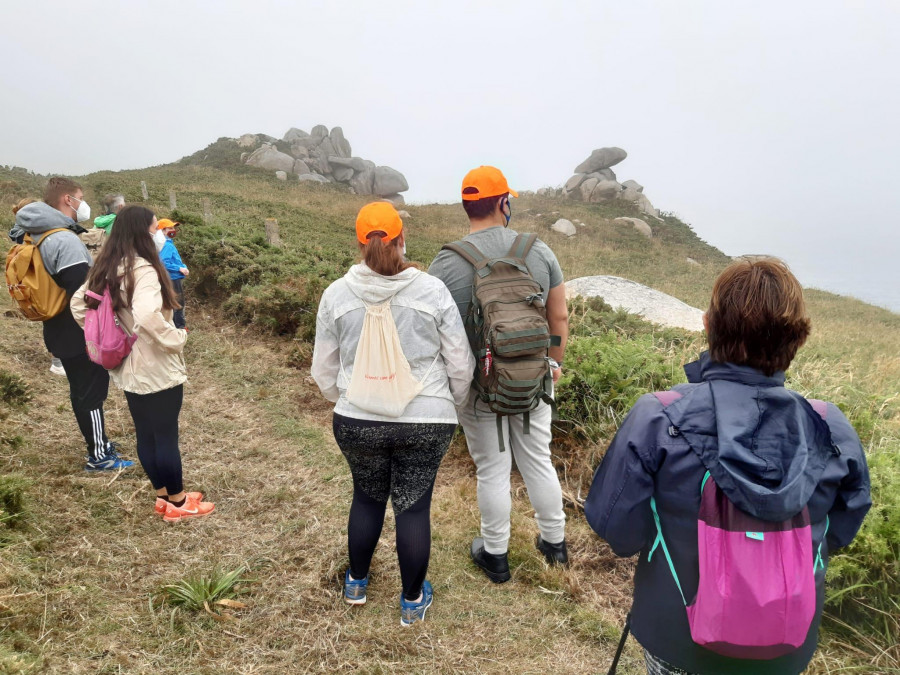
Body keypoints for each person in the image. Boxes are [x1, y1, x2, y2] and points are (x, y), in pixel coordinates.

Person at [584, 258, 871, 675]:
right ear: (798, 339)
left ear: (708, 324)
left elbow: (617, 530)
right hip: (786, 642)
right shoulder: (830, 426)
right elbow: (843, 526)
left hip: (676, 635)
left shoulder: (659, 417)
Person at [312, 201, 474, 625]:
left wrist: (344, 398)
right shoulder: (432, 290)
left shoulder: (336, 293)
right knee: (413, 507)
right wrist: (450, 403)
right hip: (427, 419)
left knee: (366, 497)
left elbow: (322, 369)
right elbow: (460, 362)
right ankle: (412, 600)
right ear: (403, 239)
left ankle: (356, 583)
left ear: (359, 242)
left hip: (357, 418)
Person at [428, 166, 570, 582]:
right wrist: (554, 362)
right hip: (535, 379)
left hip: (480, 385)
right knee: (537, 460)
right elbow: (558, 314)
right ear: (502, 203)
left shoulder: (447, 262)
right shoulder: (537, 250)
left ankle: (496, 556)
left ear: (467, 206)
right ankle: (555, 545)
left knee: (492, 467)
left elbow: (437, 330)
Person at [71, 205, 213, 523]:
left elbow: (79, 304)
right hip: (154, 365)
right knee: (165, 435)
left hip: (127, 365)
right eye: (154, 228)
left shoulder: (105, 265)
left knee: (145, 433)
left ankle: (163, 497)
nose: (159, 234)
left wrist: (112, 335)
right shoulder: (144, 270)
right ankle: (178, 503)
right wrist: (175, 338)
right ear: (143, 232)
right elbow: (148, 316)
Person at [13, 178, 132, 470]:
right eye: (80, 197)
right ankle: (99, 456)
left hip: (56, 326)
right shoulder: (63, 240)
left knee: (81, 389)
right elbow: (83, 293)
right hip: (78, 331)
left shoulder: (36, 234)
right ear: (68, 199)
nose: (83, 203)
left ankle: (98, 442)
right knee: (89, 392)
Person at [156, 219, 189, 329]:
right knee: (178, 303)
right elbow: (164, 262)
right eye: (170, 228)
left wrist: (183, 266)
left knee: (173, 303)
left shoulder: (167, 243)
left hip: (171, 277)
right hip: (172, 278)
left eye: (173, 228)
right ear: (163, 231)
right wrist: (179, 268)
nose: (173, 230)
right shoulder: (167, 245)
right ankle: (179, 328)